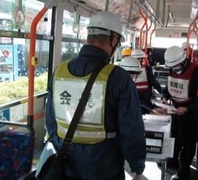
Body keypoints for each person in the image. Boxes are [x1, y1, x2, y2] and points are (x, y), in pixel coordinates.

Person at [45, 11, 146, 180]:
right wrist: (137, 167)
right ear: (113, 40)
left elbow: (51, 122)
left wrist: (64, 147)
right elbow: (131, 128)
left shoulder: (59, 71)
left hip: (65, 164)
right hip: (105, 169)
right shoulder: (118, 77)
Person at [162, 45, 198, 180]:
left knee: (188, 142)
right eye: (173, 67)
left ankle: (184, 170)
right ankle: (173, 162)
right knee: (174, 137)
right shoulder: (172, 69)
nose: (175, 69)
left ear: (183, 60)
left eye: (177, 66)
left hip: (190, 113)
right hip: (175, 110)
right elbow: (168, 87)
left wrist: (188, 108)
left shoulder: (197, 72)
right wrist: (165, 97)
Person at [131, 49, 163, 114]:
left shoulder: (146, 68)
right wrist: (162, 92)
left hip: (140, 99)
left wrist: (163, 93)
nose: (141, 60)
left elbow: (154, 81)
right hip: (142, 99)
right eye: (141, 59)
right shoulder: (146, 69)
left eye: (142, 59)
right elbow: (154, 82)